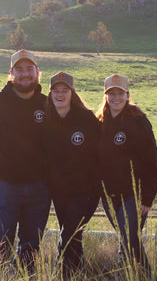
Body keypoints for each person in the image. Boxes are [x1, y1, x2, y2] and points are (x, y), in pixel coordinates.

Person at [0, 49, 51, 273]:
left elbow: (58, 141)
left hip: (39, 187)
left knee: (31, 244)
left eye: (30, 69)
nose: (25, 74)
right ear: (11, 73)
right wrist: (6, 166)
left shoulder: (47, 104)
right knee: (1, 240)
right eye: (19, 70)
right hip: (6, 185)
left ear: (37, 72)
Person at [95, 74, 157, 272]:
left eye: (120, 93)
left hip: (133, 195)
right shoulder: (100, 122)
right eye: (111, 93)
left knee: (130, 245)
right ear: (105, 96)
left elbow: (151, 161)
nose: (116, 98)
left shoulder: (138, 121)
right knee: (129, 242)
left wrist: (147, 197)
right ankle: (138, 275)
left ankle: (134, 275)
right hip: (109, 196)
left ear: (127, 94)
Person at [42, 72, 100, 278]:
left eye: (64, 91)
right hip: (60, 192)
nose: (60, 95)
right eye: (56, 91)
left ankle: (61, 275)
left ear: (72, 93)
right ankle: (79, 274)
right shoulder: (46, 120)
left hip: (86, 191)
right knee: (73, 237)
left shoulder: (86, 119)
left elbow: (101, 152)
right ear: (50, 94)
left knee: (67, 235)